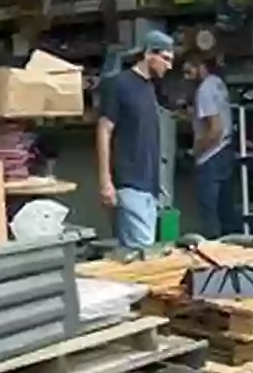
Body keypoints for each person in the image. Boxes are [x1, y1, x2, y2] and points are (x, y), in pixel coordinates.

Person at [96, 30, 175, 249]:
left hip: (149, 185)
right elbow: (104, 130)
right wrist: (105, 181)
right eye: (165, 59)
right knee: (142, 251)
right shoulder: (119, 84)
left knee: (133, 255)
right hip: (129, 182)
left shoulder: (150, 88)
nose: (169, 66)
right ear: (149, 54)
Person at [183, 50, 236, 238]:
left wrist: (194, 151)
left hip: (211, 157)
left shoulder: (204, 90)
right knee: (226, 212)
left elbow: (215, 129)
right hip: (225, 152)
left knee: (209, 216)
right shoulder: (217, 84)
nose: (184, 71)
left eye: (188, 66)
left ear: (199, 66)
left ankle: (214, 258)